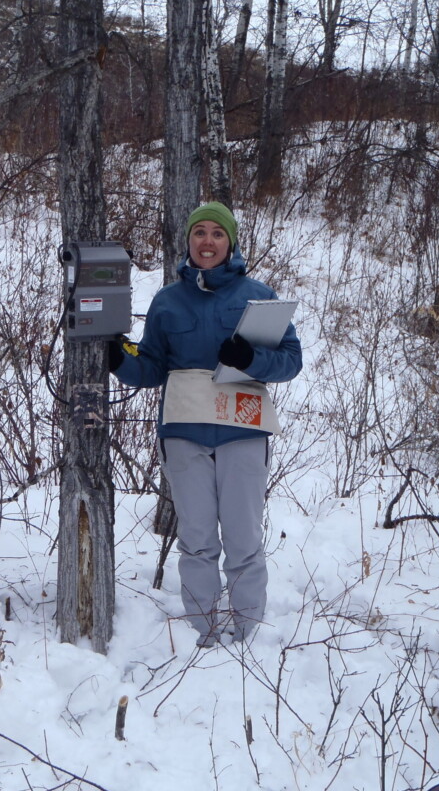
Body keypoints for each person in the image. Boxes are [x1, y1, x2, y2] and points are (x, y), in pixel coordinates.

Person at [108, 201, 302, 647]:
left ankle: (249, 628)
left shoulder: (259, 296)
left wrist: (252, 359)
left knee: (243, 536)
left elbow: (291, 361)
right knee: (195, 537)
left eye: (217, 233)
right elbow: (153, 365)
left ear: (230, 241)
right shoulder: (167, 301)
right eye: (200, 233)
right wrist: (121, 360)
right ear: (189, 241)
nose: (208, 242)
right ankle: (205, 628)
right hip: (185, 431)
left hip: (242, 430)